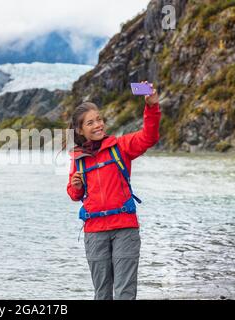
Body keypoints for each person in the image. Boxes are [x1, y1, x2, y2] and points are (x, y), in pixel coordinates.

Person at [66, 82, 161, 300]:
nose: (98, 124)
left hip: (125, 229)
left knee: (125, 293)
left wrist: (151, 106)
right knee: (102, 294)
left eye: (99, 119)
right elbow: (74, 194)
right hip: (94, 231)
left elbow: (149, 137)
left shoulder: (121, 146)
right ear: (80, 130)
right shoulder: (77, 158)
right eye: (91, 122)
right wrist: (76, 185)